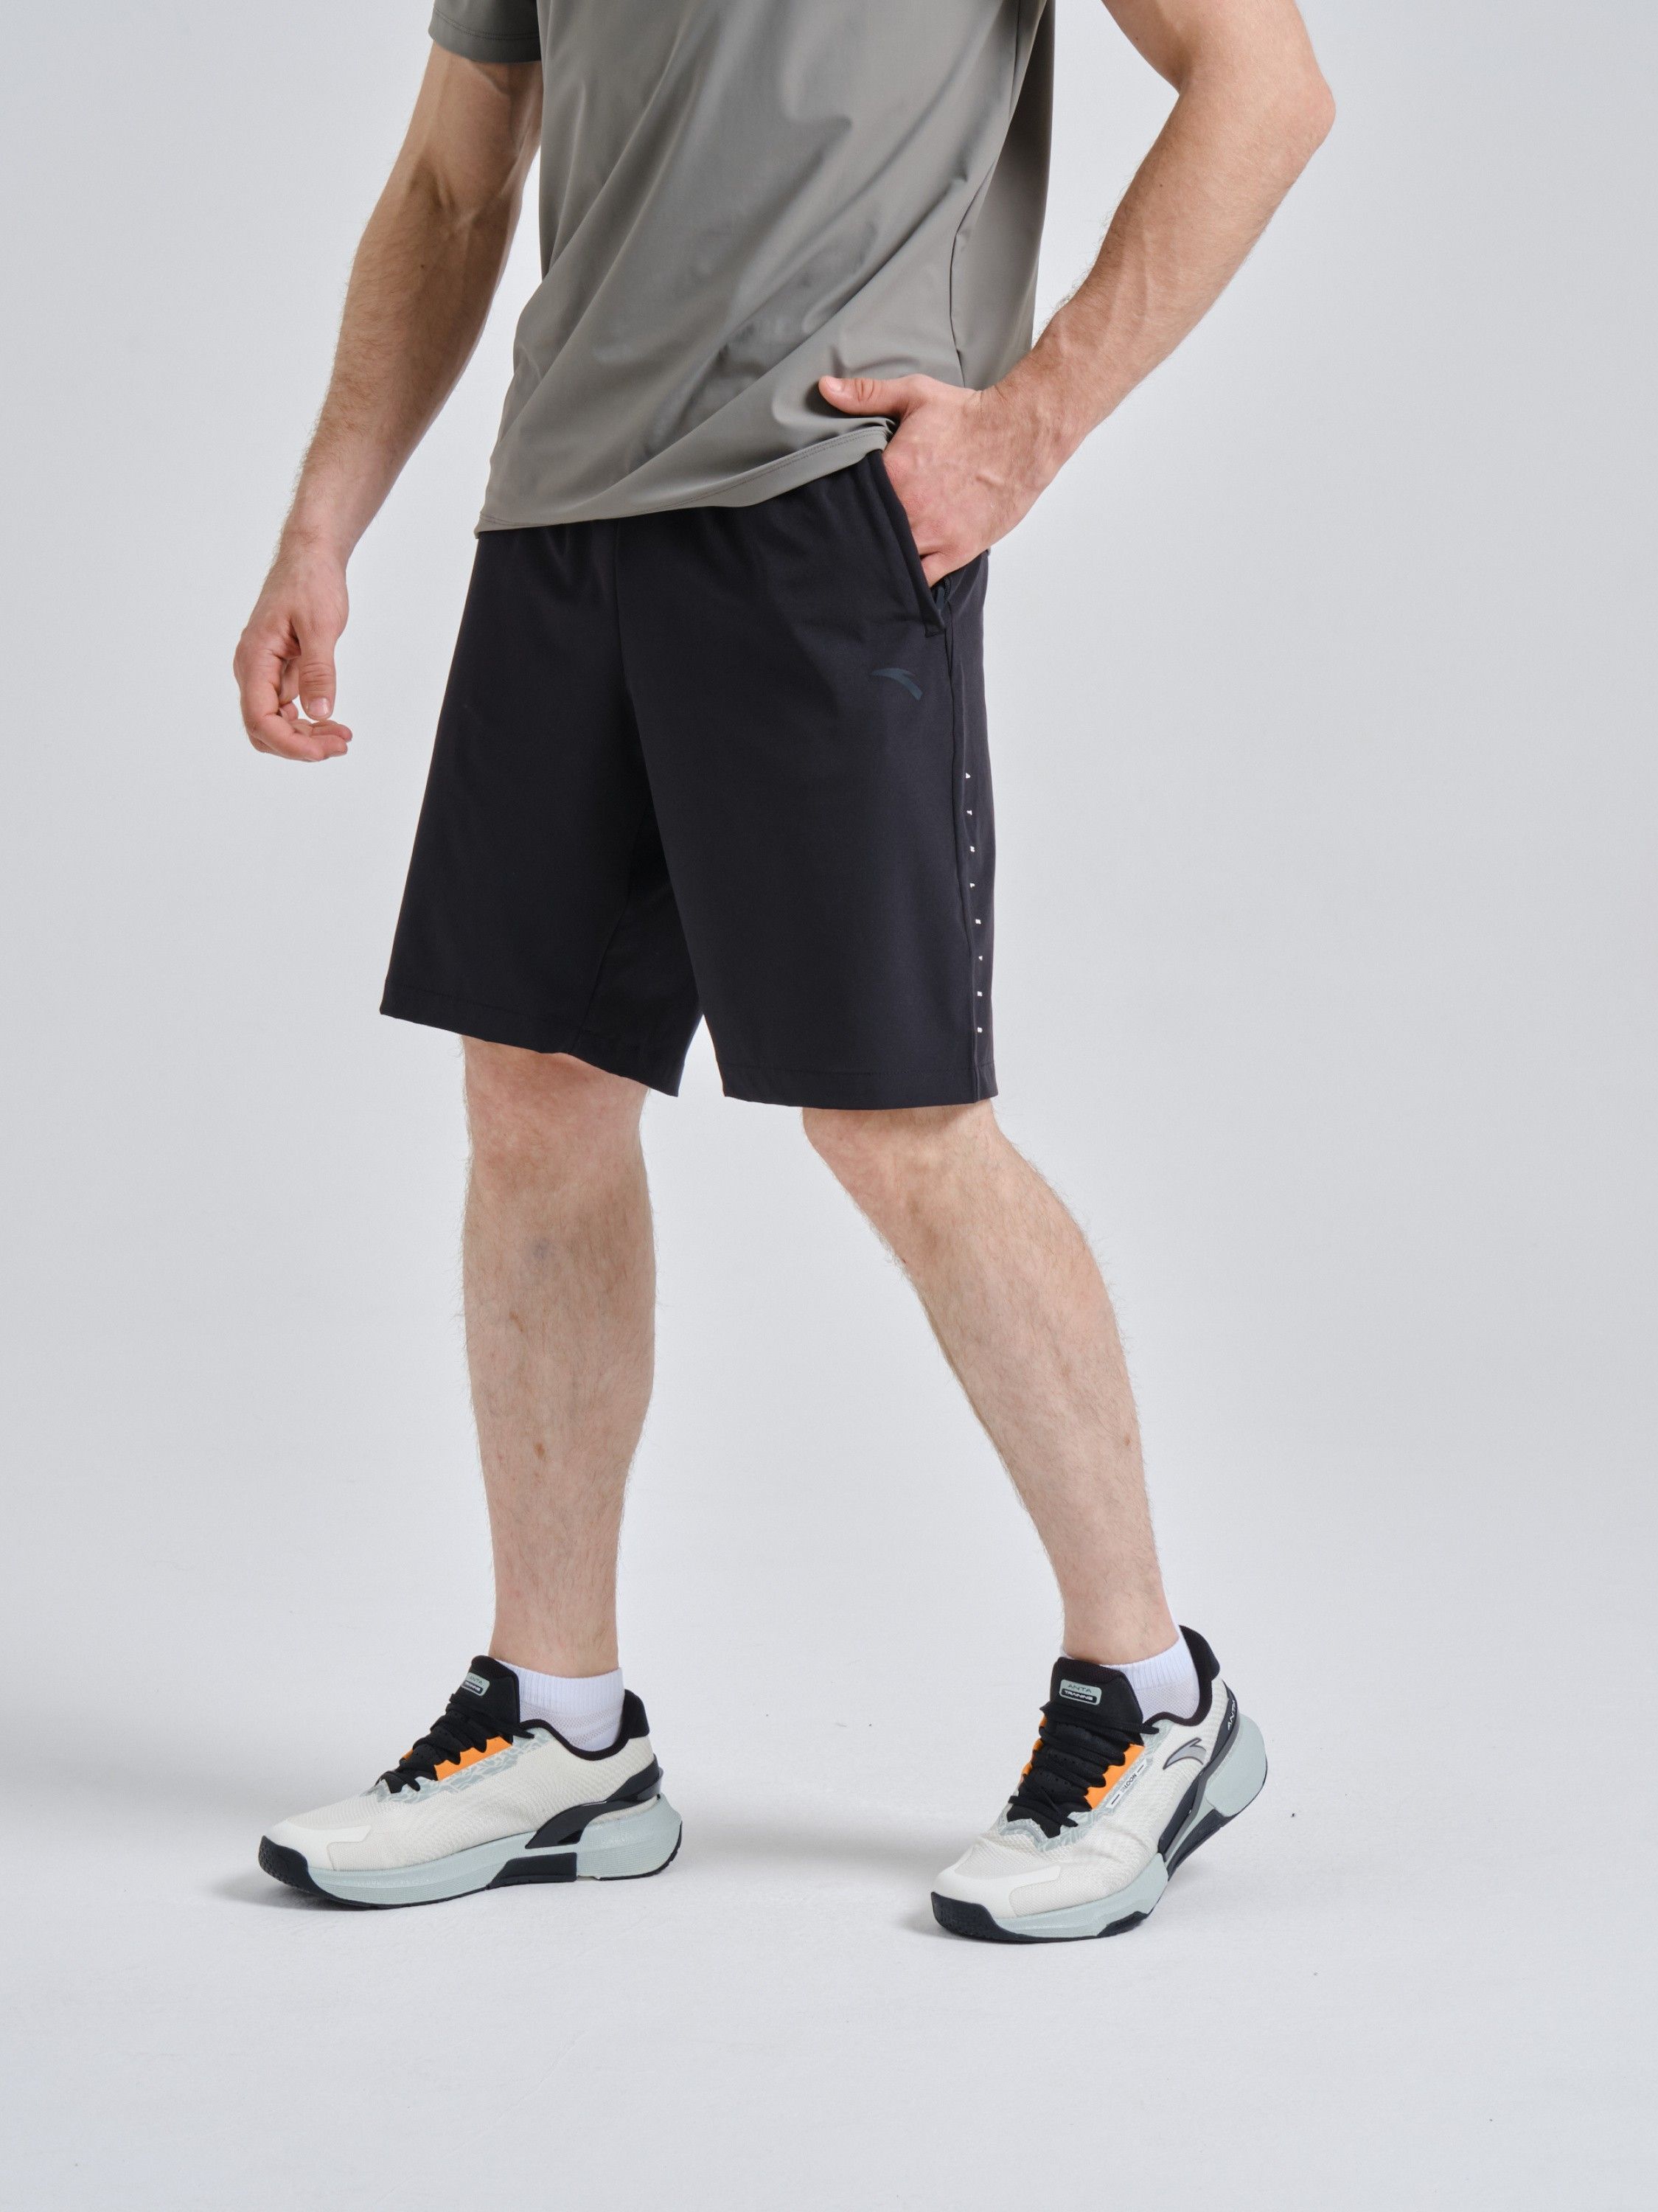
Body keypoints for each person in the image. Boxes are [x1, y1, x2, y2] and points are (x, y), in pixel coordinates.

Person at [236, 0, 1331, 1938]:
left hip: (822, 504)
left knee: (895, 1120)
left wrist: (1029, 425)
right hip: (562, 514)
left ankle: (1153, 1691)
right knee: (534, 1097)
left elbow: (1265, 83)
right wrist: (329, 512)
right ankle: (561, 1722)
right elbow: (454, 178)